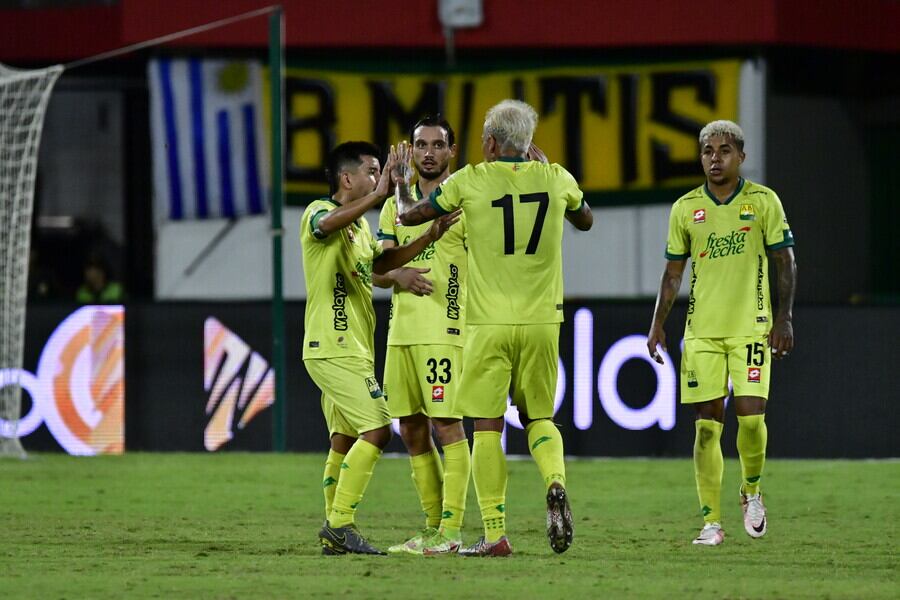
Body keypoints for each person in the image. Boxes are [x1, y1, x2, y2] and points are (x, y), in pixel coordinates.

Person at [396, 100, 593, 556]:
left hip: (488, 324)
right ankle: (556, 480)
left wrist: (402, 184)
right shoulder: (556, 177)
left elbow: (409, 215)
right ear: (528, 143)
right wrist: (548, 172)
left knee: (487, 425)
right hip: (544, 320)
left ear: (488, 142)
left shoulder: (469, 181)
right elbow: (585, 219)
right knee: (539, 418)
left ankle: (494, 534)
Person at [300, 141, 459, 555]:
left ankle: (334, 527)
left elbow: (380, 268)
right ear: (346, 178)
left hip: (353, 346)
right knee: (378, 429)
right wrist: (378, 196)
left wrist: (427, 237)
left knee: (343, 439)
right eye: (371, 171)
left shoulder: (360, 227)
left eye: (379, 171)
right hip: (332, 347)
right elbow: (326, 225)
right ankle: (339, 524)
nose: (379, 177)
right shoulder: (317, 213)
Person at [646, 120, 797, 546]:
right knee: (707, 427)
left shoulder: (764, 202)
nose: (716, 157)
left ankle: (751, 490)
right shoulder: (685, 208)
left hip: (751, 328)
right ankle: (711, 522)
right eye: (708, 150)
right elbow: (673, 273)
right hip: (703, 334)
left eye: (725, 150)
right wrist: (658, 323)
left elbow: (785, 261)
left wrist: (783, 318)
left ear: (741, 157)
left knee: (751, 419)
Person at [372, 116, 470, 555]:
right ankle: (432, 528)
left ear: (452, 151)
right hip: (402, 331)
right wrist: (400, 275)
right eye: (421, 145)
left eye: (437, 145)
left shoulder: (465, 200)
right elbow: (378, 272)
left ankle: (451, 529)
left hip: (446, 327)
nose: (428, 152)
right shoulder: (394, 206)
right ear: (410, 151)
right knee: (411, 429)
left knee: (446, 424)